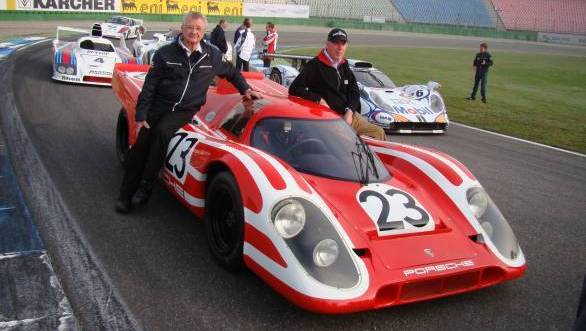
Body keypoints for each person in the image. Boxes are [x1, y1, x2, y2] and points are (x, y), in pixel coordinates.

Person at [115, 12, 262, 213]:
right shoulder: (164, 53)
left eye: (198, 29)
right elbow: (149, 86)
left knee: (162, 133)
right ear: (182, 28)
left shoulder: (213, 55)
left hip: (185, 109)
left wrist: (245, 89)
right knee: (140, 145)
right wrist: (140, 116)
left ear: (204, 32)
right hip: (159, 105)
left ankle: (146, 187)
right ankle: (125, 196)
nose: (194, 32)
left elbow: (232, 72)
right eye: (190, 27)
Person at [288, 28, 386, 141]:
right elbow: (294, 89)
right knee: (344, 140)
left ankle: (370, 158)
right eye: (336, 43)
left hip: (350, 116)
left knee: (378, 133)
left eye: (343, 43)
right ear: (327, 44)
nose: (340, 47)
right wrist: (318, 99)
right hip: (329, 119)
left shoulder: (344, 64)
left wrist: (349, 112)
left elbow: (354, 92)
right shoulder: (315, 65)